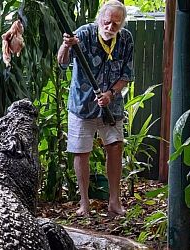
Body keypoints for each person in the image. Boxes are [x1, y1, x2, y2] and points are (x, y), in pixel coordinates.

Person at [57, 0, 134, 216]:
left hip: (112, 106)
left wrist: (111, 94)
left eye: (116, 24)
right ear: (99, 19)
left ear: (122, 24)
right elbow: (62, 62)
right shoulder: (84, 34)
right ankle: (84, 203)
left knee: (115, 147)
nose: (110, 27)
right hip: (82, 105)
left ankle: (114, 202)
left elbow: (126, 75)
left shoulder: (126, 39)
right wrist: (66, 45)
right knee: (81, 151)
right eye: (107, 22)